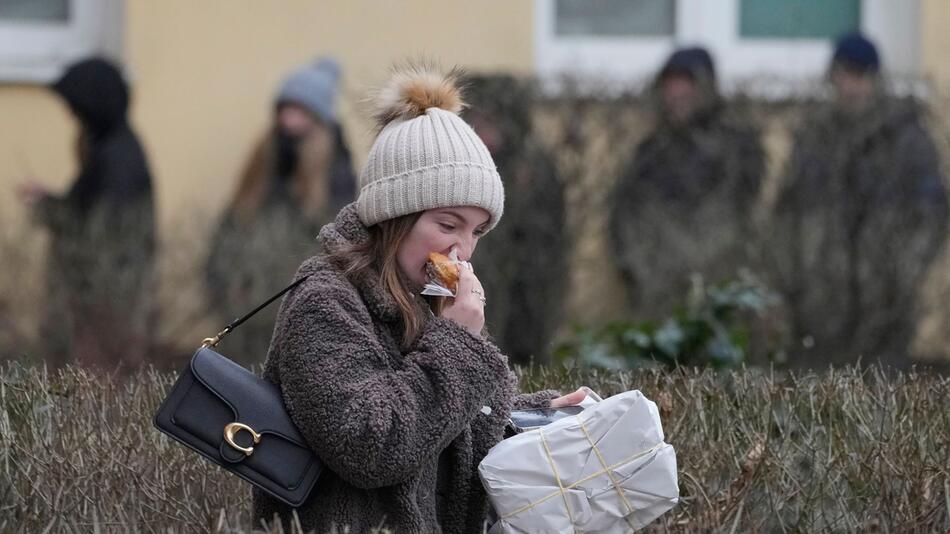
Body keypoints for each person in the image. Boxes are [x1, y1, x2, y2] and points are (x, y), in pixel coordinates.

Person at [252, 63, 587, 533]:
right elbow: (372, 447)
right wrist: (457, 342)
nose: (461, 249)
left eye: (475, 232)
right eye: (447, 225)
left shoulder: (427, 299)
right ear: (394, 217)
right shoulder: (324, 301)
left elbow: (448, 425)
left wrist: (537, 415)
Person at [771, 33, 948, 367]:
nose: (851, 87)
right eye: (843, 76)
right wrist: (794, 285)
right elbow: (786, 218)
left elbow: (931, 216)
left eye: (860, 76)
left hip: (886, 310)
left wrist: (901, 278)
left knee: (880, 403)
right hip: (819, 310)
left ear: (875, 80)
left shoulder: (907, 140)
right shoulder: (814, 140)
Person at [205, 57, 356, 365]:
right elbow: (227, 232)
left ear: (318, 120)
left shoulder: (337, 180)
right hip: (244, 321)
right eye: (284, 109)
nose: (288, 119)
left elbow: (338, 257)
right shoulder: (263, 166)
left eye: (299, 111)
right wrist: (223, 291)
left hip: (296, 328)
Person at [17, 57, 156, 371]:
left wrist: (45, 207)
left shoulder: (117, 159)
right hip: (102, 308)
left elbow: (98, 241)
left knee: (95, 385)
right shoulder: (112, 148)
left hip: (102, 312)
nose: (72, 115)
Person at [608, 46, 765, 319]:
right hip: (660, 298)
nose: (677, 94)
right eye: (671, 84)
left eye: (687, 83)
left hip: (721, 294)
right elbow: (624, 223)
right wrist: (641, 271)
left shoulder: (737, 147)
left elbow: (744, 213)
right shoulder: (650, 154)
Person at [463, 74, 567, 366]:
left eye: (491, 120)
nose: (482, 130)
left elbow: (547, 239)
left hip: (526, 292)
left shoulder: (533, 168)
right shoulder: (465, 168)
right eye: (476, 119)